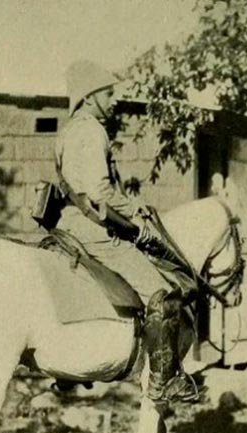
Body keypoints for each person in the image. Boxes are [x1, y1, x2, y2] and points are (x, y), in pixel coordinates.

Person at [54, 59, 199, 404]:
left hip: (68, 223)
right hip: (93, 228)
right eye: (108, 92)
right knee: (162, 293)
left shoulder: (68, 131)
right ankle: (164, 381)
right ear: (90, 96)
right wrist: (136, 213)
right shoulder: (92, 130)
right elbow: (101, 193)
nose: (115, 98)